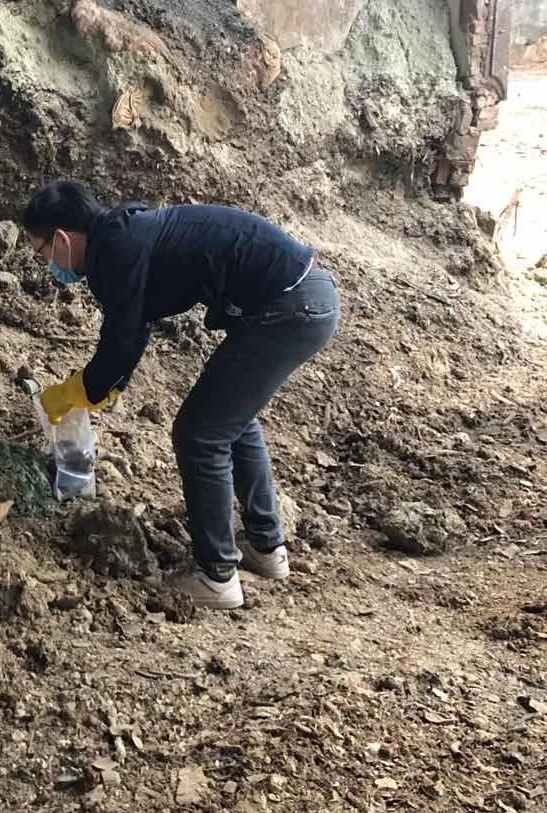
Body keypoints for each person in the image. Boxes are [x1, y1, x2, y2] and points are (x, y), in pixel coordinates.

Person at [23, 180, 340, 610]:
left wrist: (78, 391)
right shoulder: (125, 234)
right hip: (305, 295)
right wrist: (101, 386)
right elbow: (135, 326)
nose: (47, 264)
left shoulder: (116, 250)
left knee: (199, 434)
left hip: (291, 305)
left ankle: (216, 576)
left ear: (61, 238)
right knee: (232, 419)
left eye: (42, 252)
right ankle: (266, 548)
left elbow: (120, 341)